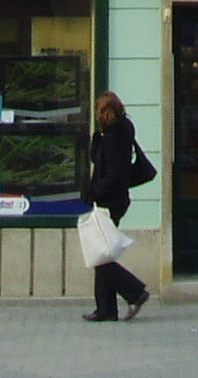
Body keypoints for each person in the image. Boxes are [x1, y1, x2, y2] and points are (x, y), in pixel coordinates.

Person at [82, 91, 151, 323]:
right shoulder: (117, 132)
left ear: (105, 112)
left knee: (99, 255)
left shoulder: (114, 138)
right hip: (115, 200)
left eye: (98, 110)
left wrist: (96, 192)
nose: (96, 115)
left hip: (109, 202)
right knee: (102, 252)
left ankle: (134, 292)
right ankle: (106, 308)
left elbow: (113, 173)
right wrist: (97, 139)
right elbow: (99, 160)